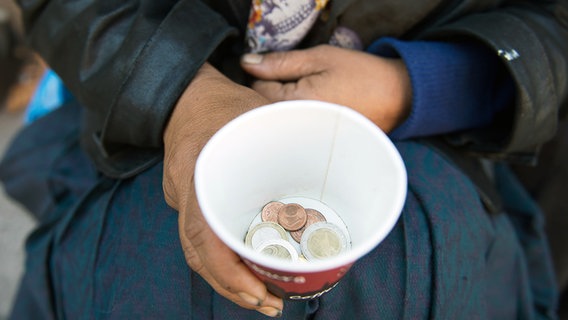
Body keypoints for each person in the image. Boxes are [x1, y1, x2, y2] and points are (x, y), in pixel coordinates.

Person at [0, 0, 567, 318]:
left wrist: (420, 84)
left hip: (436, 134)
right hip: (145, 105)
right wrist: (175, 89)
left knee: (405, 275)